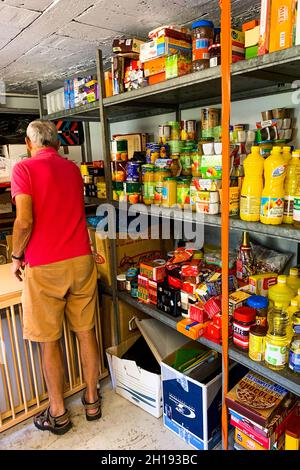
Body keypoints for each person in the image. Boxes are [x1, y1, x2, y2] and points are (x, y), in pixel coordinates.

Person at [11, 120, 101, 435]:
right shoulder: (72, 170)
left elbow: (24, 221)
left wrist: (16, 255)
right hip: (81, 260)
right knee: (85, 331)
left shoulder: (23, 170)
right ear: (58, 144)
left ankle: (59, 413)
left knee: (49, 341)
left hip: (45, 265)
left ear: (27, 142)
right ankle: (92, 400)